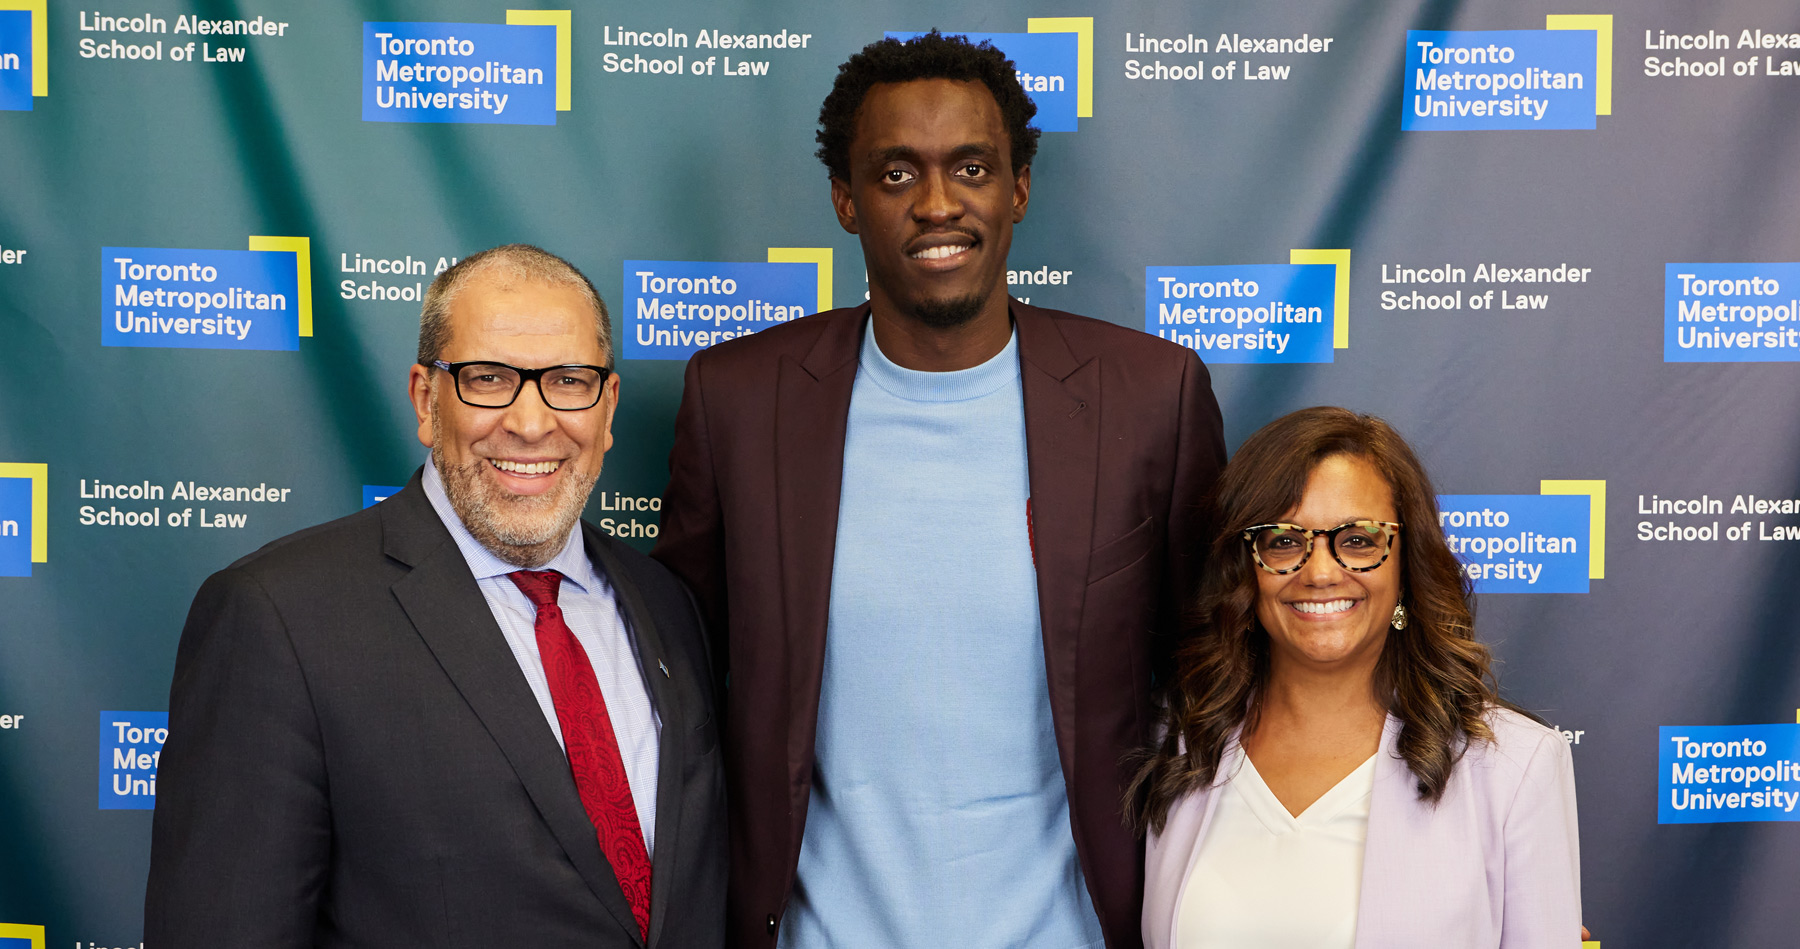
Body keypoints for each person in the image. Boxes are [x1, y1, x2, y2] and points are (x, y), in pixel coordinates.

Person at [653, 32, 1225, 949]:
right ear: (845, 200)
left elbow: (1219, 681)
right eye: (894, 174)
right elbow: (673, 685)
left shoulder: (1151, 398)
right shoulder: (736, 401)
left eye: (971, 167)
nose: (937, 204)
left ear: (1019, 190)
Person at [145, 245, 726, 949]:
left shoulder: (668, 605)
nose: (532, 422)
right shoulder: (278, 618)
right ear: (426, 400)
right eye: (489, 379)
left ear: (606, 409)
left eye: (568, 381)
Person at [1132, 406, 1581, 948]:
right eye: (1283, 540)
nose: (1320, 572)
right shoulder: (1177, 743)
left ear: (1406, 563)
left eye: (1359, 540)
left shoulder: (1514, 765)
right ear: (1243, 569)